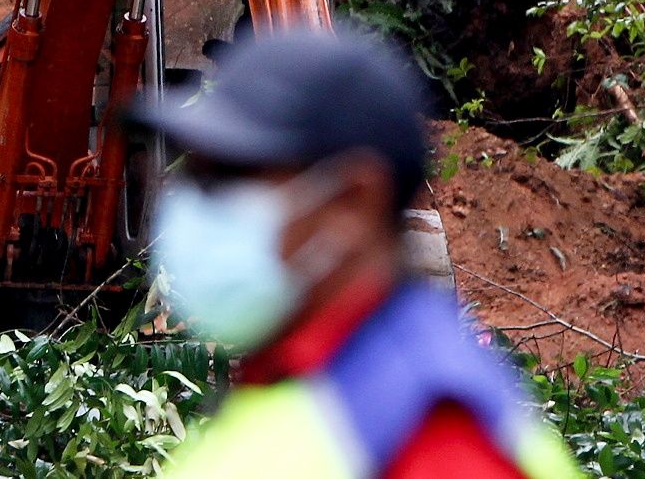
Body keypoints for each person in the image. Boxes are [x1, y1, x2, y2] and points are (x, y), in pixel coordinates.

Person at [133, 29, 584, 479]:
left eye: (225, 180)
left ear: (351, 204)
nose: (194, 206)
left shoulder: (434, 436)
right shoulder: (305, 392)